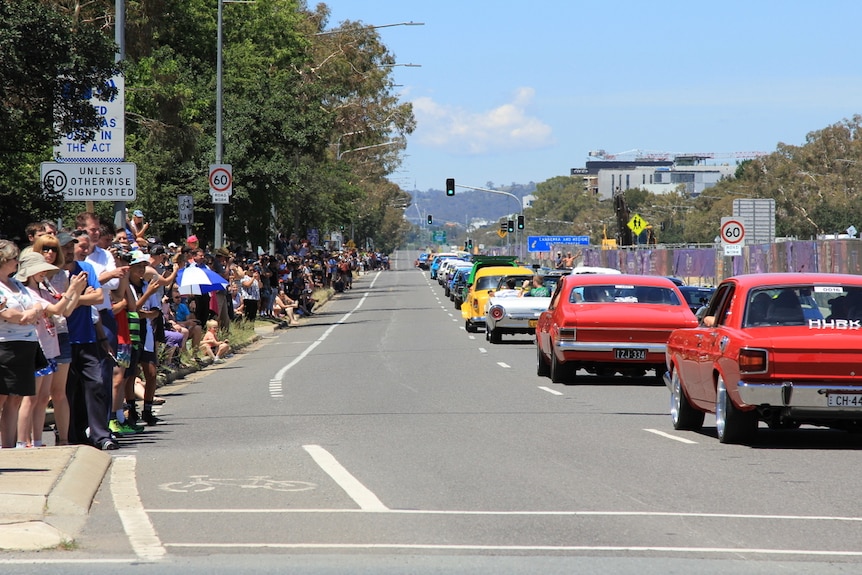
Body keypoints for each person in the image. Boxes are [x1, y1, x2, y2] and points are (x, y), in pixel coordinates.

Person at [15, 252, 86, 447]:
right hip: (37, 348)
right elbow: (55, 310)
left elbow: (65, 310)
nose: (43, 273)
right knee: (30, 398)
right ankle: (23, 441)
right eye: (39, 270)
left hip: (50, 347)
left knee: (43, 397)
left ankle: (37, 440)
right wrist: (72, 289)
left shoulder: (44, 290)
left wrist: (76, 291)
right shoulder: (28, 292)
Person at [64, 229, 118, 450]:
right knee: (70, 390)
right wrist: (76, 297)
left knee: (96, 383)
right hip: (63, 339)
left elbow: (97, 296)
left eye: (71, 247)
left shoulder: (86, 269)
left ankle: (100, 434)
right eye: (66, 248)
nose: (70, 252)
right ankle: (72, 433)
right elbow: (58, 305)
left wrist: (72, 297)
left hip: (86, 337)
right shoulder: (53, 273)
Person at [0, 241, 48, 448]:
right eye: (13, 260)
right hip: (6, 346)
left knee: (15, 399)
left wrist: (28, 314)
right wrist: (26, 315)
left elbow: (37, 304)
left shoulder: (17, 284)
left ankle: (9, 447)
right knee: (2, 397)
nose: (17, 263)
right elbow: (7, 314)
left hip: (26, 346)